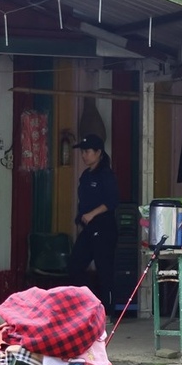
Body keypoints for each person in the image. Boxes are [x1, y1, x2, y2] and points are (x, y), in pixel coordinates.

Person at [67, 133, 120, 320]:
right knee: (74, 265)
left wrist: (92, 214)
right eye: (82, 152)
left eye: (87, 151)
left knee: (104, 270)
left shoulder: (106, 174)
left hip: (104, 228)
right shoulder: (85, 175)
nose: (84, 155)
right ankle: (85, 306)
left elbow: (112, 201)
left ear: (98, 153)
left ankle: (108, 313)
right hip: (88, 229)